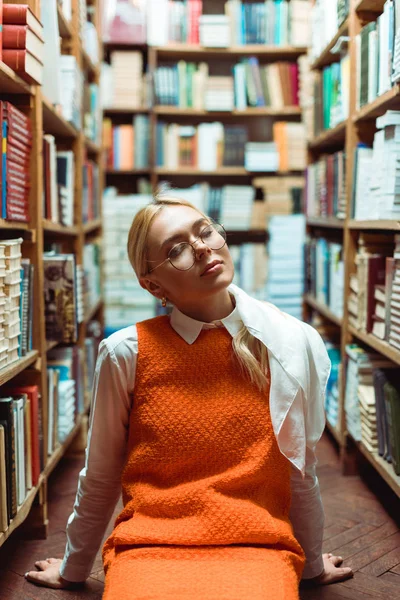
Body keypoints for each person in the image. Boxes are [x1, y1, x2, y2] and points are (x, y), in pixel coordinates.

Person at [25, 196, 353, 599]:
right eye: (176, 249)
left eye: (204, 231)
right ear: (152, 285)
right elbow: (101, 474)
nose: (202, 248)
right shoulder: (126, 352)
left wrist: (313, 564)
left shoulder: (284, 343)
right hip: (149, 547)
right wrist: (74, 569)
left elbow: (301, 471)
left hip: (258, 546)